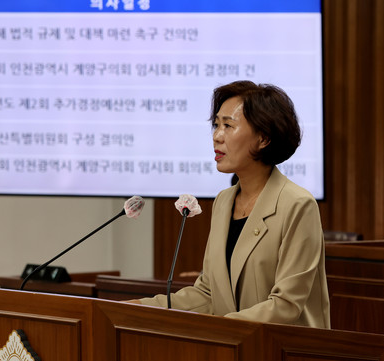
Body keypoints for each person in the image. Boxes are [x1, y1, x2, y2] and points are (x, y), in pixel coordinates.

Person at [136, 81, 330, 328]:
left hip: (284, 348)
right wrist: (141, 307)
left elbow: (286, 305)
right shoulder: (224, 201)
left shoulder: (297, 205)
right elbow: (207, 294)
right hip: (233, 343)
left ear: (263, 138)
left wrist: (221, 329)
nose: (217, 136)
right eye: (216, 125)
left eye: (228, 125)